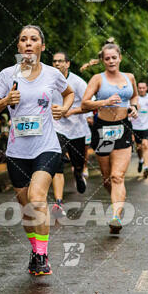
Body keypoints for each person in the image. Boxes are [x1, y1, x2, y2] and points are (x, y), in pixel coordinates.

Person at [0, 25, 74, 275]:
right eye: (23, 39)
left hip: (46, 146)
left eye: (33, 39)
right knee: (27, 209)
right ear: (18, 46)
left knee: (37, 198)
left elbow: (69, 93)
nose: (28, 43)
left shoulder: (52, 74)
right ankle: (35, 250)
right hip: (17, 152)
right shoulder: (6, 75)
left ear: (42, 46)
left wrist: (65, 109)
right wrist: (5, 101)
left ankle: (43, 256)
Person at [81, 40, 138, 234]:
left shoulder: (130, 77)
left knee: (117, 176)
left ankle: (115, 216)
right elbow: (84, 104)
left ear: (120, 58)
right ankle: (119, 200)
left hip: (123, 128)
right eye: (107, 58)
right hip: (103, 129)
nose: (111, 61)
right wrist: (104, 102)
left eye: (114, 57)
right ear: (103, 61)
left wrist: (134, 107)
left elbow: (135, 97)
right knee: (107, 179)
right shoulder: (97, 79)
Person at [51, 51, 88, 218]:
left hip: (76, 129)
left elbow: (89, 104)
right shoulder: (49, 81)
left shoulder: (78, 82)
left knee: (77, 163)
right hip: (56, 127)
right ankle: (58, 202)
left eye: (60, 61)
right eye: (54, 62)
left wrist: (70, 111)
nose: (57, 64)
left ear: (68, 64)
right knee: (57, 161)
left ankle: (78, 174)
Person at [131, 82, 148, 177]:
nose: (141, 89)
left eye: (143, 88)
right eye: (140, 88)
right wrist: (134, 107)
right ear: (137, 88)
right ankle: (141, 160)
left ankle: (146, 167)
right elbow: (129, 109)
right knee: (139, 147)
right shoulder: (134, 98)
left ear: (146, 88)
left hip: (147, 125)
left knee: (146, 145)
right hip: (136, 126)